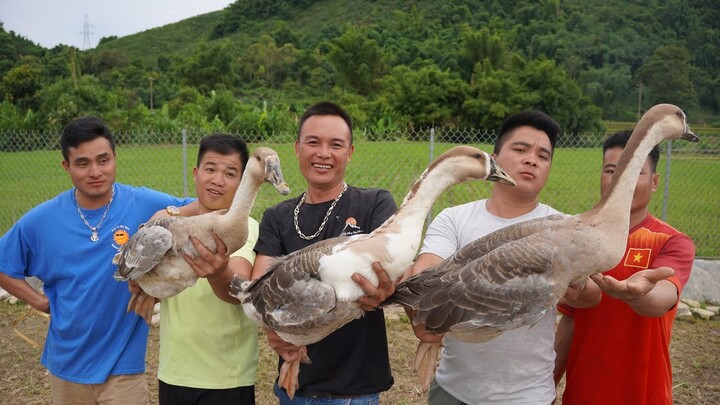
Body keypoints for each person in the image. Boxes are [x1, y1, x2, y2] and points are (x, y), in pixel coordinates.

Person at [0, 116, 193, 404]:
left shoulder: (143, 203)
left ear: (115, 158)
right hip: (67, 366)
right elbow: (3, 264)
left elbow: (195, 208)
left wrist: (162, 229)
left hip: (124, 368)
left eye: (103, 160)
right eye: (82, 163)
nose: (95, 171)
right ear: (66, 166)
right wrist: (38, 301)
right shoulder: (43, 220)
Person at [407, 110, 582, 404]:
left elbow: (590, 298)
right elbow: (427, 273)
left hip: (528, 395)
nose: (531, 160)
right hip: (454, 391)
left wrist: (576, 286)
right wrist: (415, 283)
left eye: (543, 155)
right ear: (494, 158)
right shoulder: (455, 219)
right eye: (520, 149)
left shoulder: (564, 228)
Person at [251, 101, 398, 404]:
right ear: (297, 148)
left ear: (350, 152)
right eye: (313, 142)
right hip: (297, 385)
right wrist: (272, 329)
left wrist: (388, 288)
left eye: (336, 144)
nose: (323, 153)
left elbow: (394, 271)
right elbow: (261, 289)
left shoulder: (375, 204)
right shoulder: (277, 216)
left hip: (356, 388)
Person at [554, 130, 695, 404]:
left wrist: (640, 295)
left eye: (635, 171)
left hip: (644, 394)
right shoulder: (579, 240)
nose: (621, 181)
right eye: (611, 171)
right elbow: (569, 320)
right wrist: (547, 385)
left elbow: (663, 297)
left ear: (654, 182)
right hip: (583, 393)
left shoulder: (672, 242)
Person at [150, 134, 260, 404]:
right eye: (210, 169)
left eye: (230, 173)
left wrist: (218, 272)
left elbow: (238, 288)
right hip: (174, 372)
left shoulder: (247, 229)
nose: (218, 180)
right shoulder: (168, 225)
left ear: (242, 180)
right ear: (196, 172)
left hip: (227, 378)